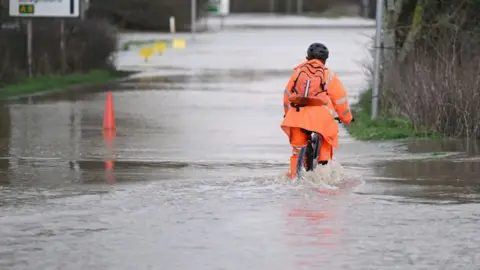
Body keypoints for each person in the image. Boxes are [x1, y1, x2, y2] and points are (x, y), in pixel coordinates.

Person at [281, 42, 354, 180]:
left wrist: (287, 114)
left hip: (296, 115)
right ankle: (323, 170)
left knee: (297, 150)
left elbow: (287, 96)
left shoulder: (297, 73)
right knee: (327, 140)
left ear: (307, 57)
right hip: (321, 118)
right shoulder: (328, 75)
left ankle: (293, 179)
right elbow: (340, 99)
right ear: (325, 59)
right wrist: (347, 119)